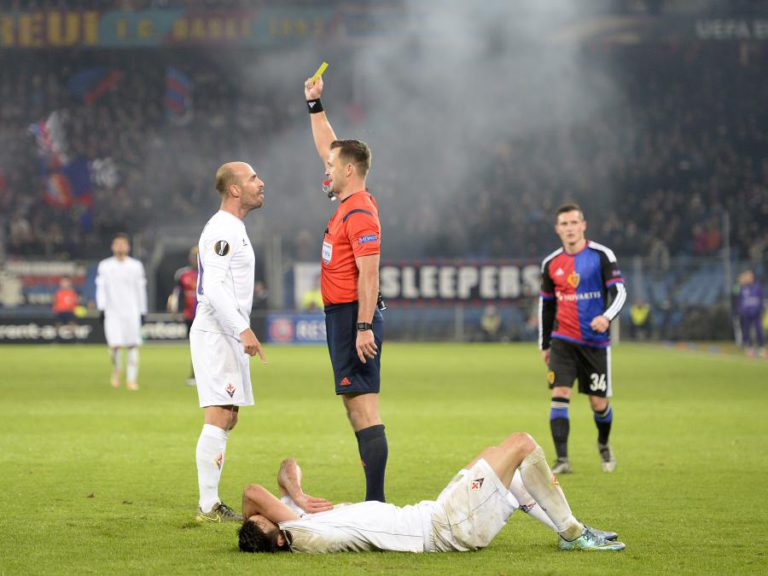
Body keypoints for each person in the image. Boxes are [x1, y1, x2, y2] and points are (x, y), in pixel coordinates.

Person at [237, 433, 625, 553]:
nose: (267, 509)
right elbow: (251, 491)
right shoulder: (299, 533)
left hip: (437, 513)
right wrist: (282, 513)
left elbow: (286, 467)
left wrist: (299, 494)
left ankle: (569, 532)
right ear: (276, 533)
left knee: (493, 459)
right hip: (444, 528)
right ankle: (574, 534)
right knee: (521, 445)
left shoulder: (300, 516)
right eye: (264, 517)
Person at [304, 74, 388, 501]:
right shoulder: (346, 201)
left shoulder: (359, 213)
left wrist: (363, 326)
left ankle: (377, 502)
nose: (327, 169)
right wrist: (315, 105)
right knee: (355, 406)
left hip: (354, 315)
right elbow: (328, 147)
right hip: (343, 315)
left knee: (363, 406)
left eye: (333, 167)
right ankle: (375, 499)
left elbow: (369, 275)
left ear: (349, 171)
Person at [190, 162, 268, 523]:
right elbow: (214, 287)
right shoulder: (223, 228)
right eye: (253, 178)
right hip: (218, 332)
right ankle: (208, 506)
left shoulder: (232, 227)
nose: (260, 183)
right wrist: (242, 328)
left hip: (225, 332)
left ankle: (210, 502)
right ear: (235, 189)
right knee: (220, 413)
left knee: (228, 416)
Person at [539, 203, 627, 474]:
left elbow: (620, 293)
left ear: (583, 225)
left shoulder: (601, 255)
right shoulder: (551, 263)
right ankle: (562, 460)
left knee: (598, 404)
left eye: (574, 223)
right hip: (563, 340)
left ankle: (603, 443)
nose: (569, 228)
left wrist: (607, 317)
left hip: (595, 343)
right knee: (559, 394)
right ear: (557, 229)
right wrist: (545, 344)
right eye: (564, 224)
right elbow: (547, 306)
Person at [95, 233, 147, 391]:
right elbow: (101, 288)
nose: (120, 247)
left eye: (122, 244)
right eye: (117, 244)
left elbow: (140, 289)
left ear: (128, 247)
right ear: (112, 247)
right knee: (115, 345)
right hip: (112, 312)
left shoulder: (136, 266)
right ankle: (117, 370)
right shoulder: (105, 265)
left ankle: (131, 380)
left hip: (131, 311)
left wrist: (142, 310)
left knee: (132, 345)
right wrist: (102, 307)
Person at [168, 246, 199, 386]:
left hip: (207, 316)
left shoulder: (211, 273)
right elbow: (176, 294)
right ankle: (194, 374)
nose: (195, 259)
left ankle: (207, 375)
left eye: (198, 255)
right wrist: (173, 309)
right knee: (195, 346)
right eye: (193, 256)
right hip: (190, 316)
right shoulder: (182, 274)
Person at [736, 270, 765, 357]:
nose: (748, 278)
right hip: (746, 315)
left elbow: (761, 300)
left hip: (756, 314)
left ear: (752, 278)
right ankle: (750, 348)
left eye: (749, 276)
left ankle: (761, 348)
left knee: (758, 330)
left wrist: (759, 310)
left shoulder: (757, 288)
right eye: (746, 276)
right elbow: (739, 301)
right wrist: (742, 311)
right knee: (747, 331)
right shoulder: (742, 288)